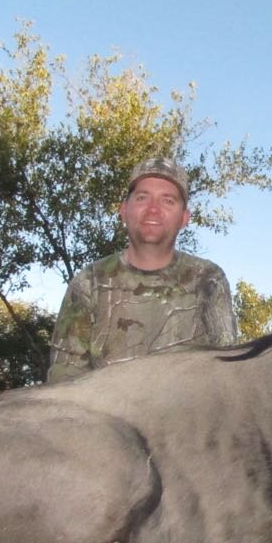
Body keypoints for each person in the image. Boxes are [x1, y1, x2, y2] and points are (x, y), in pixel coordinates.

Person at [47, 156, 238, 383]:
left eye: (168, 201)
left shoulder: (209, 280)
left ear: (184, 218)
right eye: (142, 198)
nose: (153, 210)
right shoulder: (89, 281)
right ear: (124, 211)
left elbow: (225, 374)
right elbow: (64, 378)